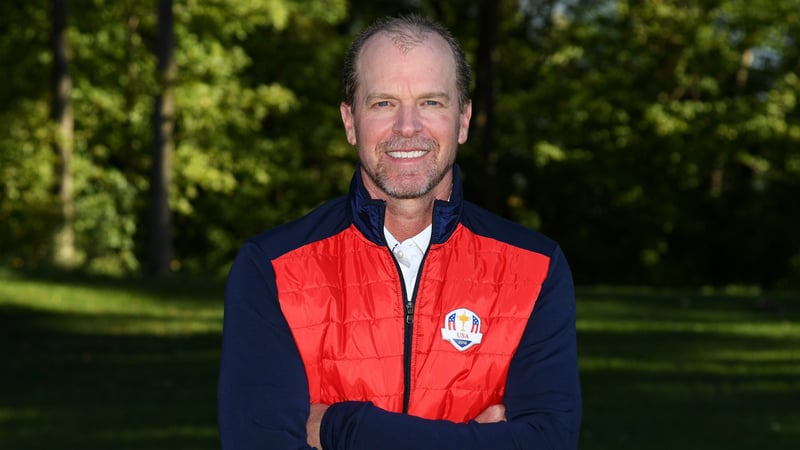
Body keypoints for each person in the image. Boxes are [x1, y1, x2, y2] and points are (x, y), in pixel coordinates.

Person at [218, 14, 581, 450]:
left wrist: (343, 426)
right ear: (350, 121)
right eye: (383, 103)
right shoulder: (272, 269)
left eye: (431, 102)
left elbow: (549, 441)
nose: (407, 127)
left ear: (463, 120)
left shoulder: (534, 269)